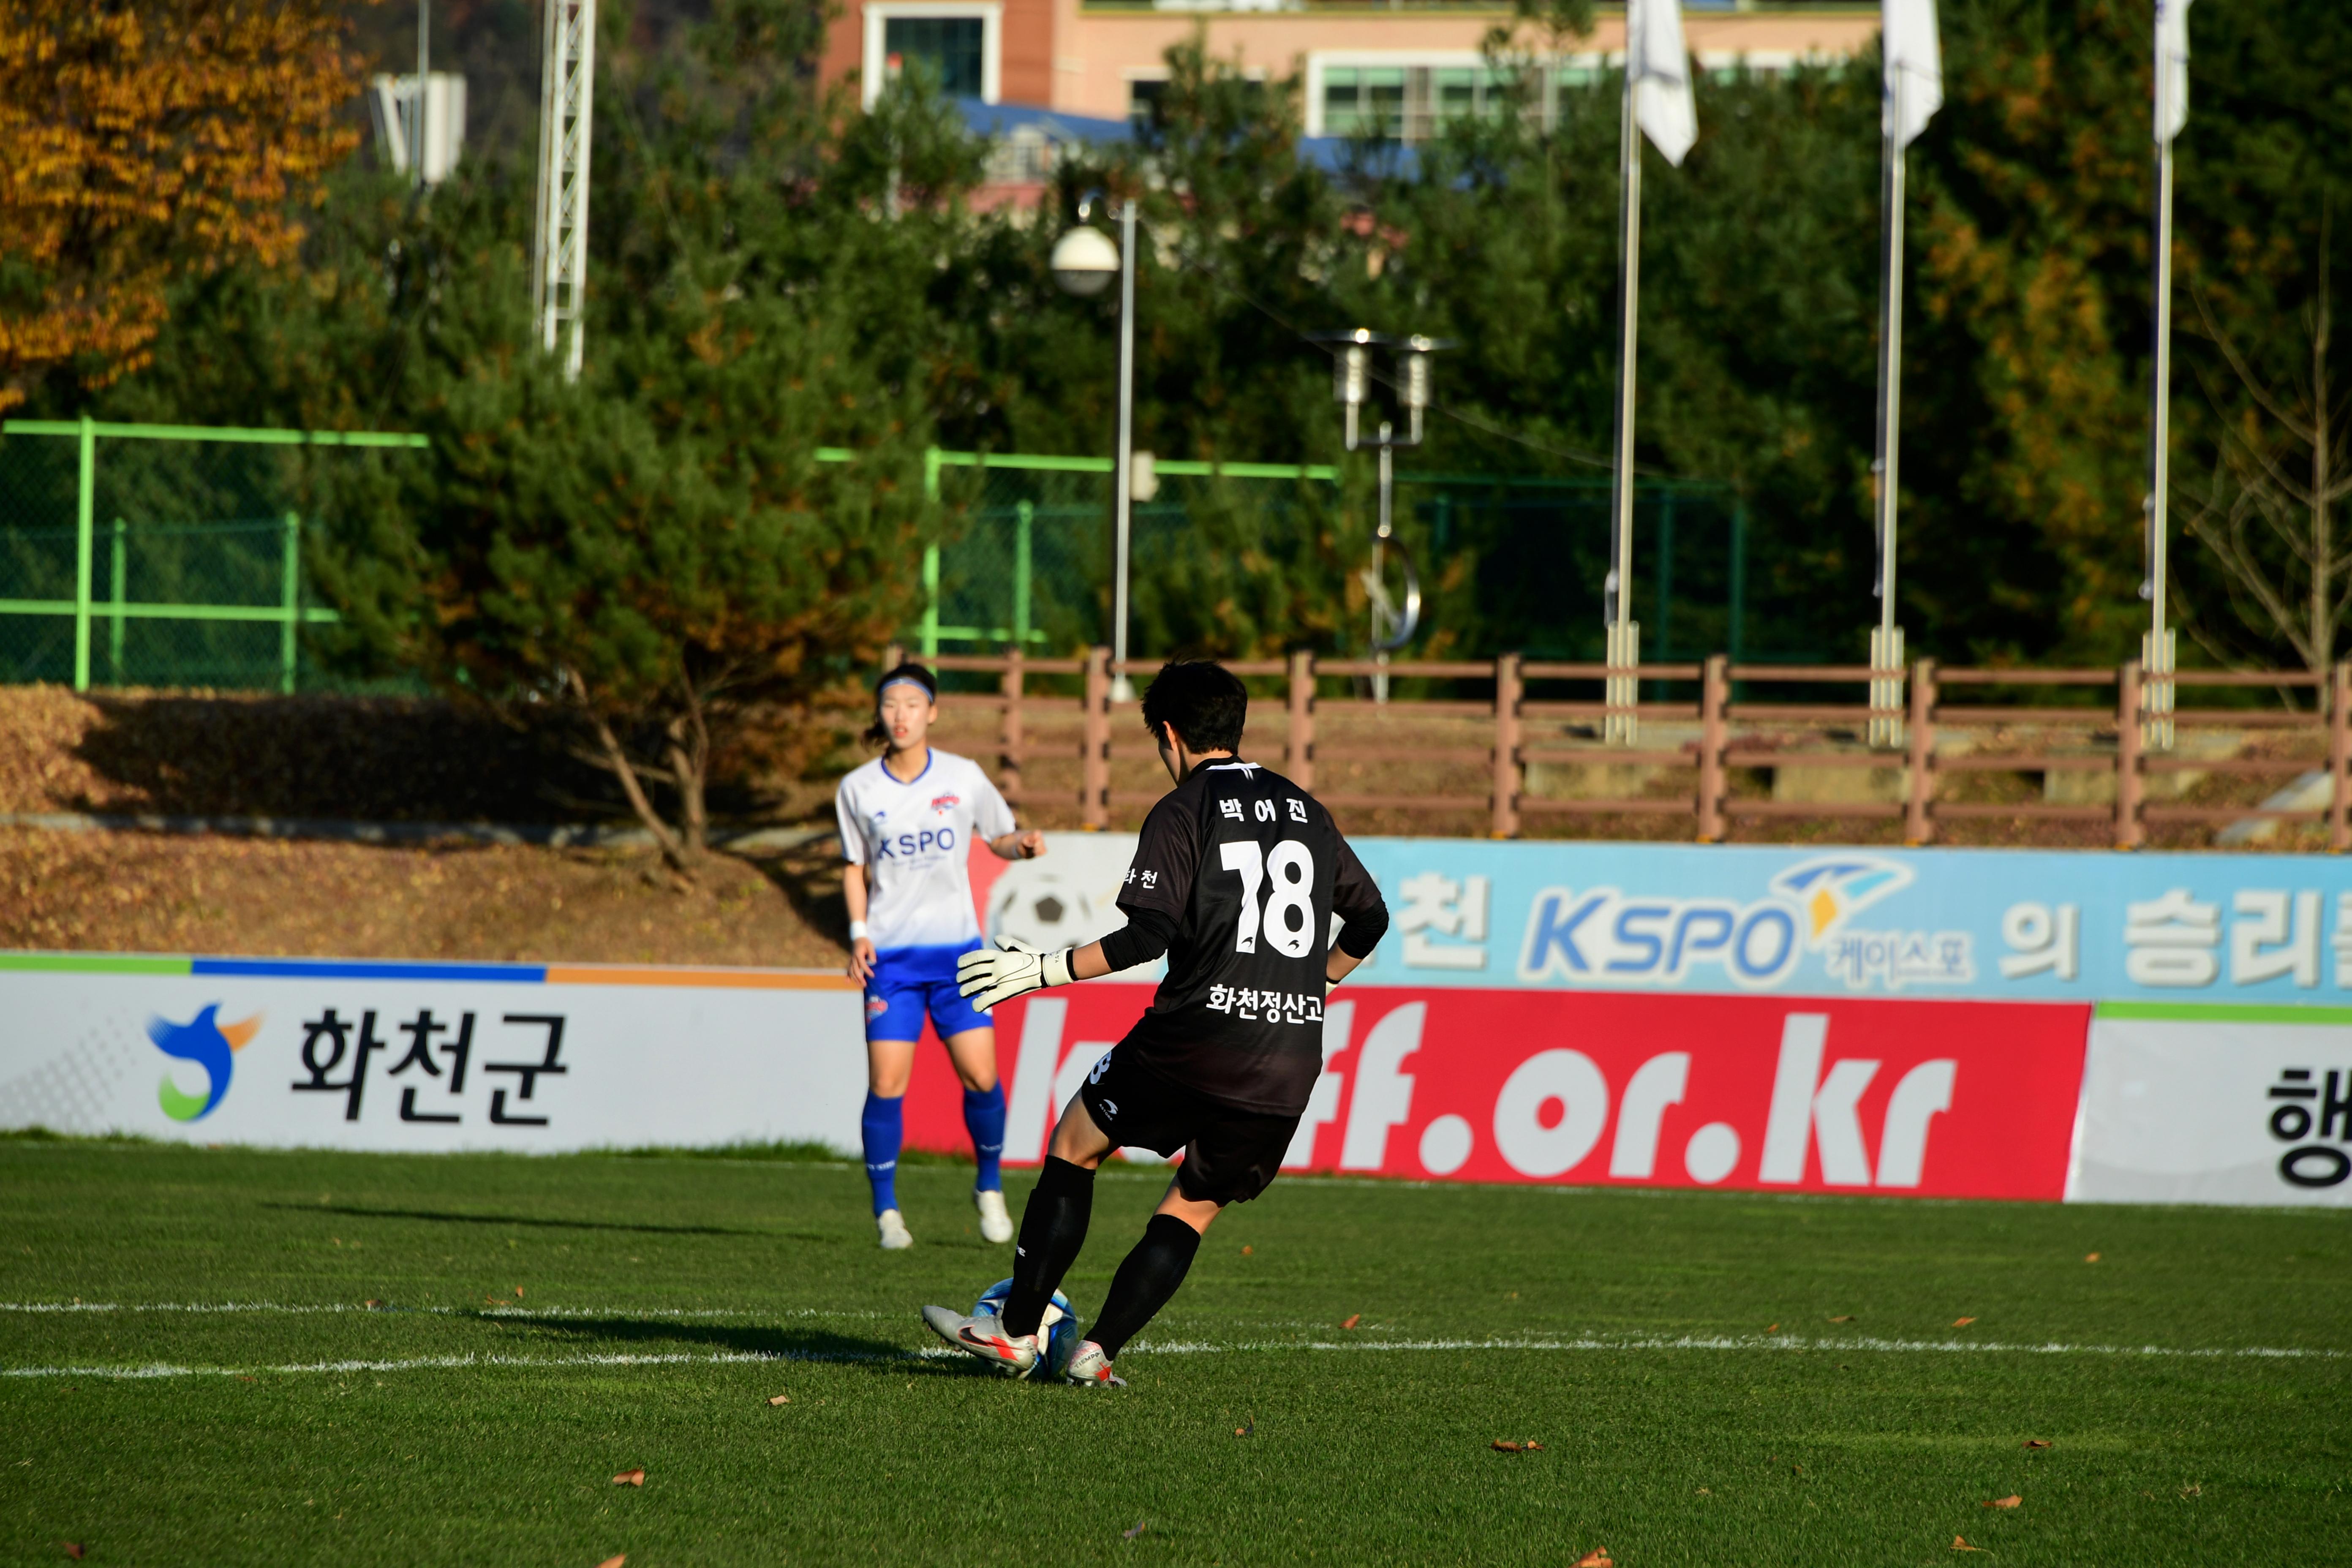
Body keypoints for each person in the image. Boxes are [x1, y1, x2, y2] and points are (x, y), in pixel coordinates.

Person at [922, 659, 1390, 1385]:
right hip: (1289, 1057)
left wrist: (1038, 970)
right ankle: (1096, 1352)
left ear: (1169, 735)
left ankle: (1016, 1331)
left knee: (1075, 1143)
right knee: (1194, 1206)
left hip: (1196, 1036)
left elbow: (1148, 937)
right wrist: (1316, 981)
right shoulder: (1307, 809)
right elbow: (1372, 916)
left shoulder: (1185, 808)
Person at [836, 662, 1044, 1250]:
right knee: (887, 1083)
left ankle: (988, 1186)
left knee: (982, 1076)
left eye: (911, 703)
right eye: (890, 704)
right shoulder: (857, 789)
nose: (900, 715)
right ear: (880, 714)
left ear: (933, 712)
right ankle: (887, 1213)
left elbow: (998, 836)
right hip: (893, 964)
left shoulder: (964, 776)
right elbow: (854, 868)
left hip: (960, 959)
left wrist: (1021, 848)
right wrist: (858, 933)